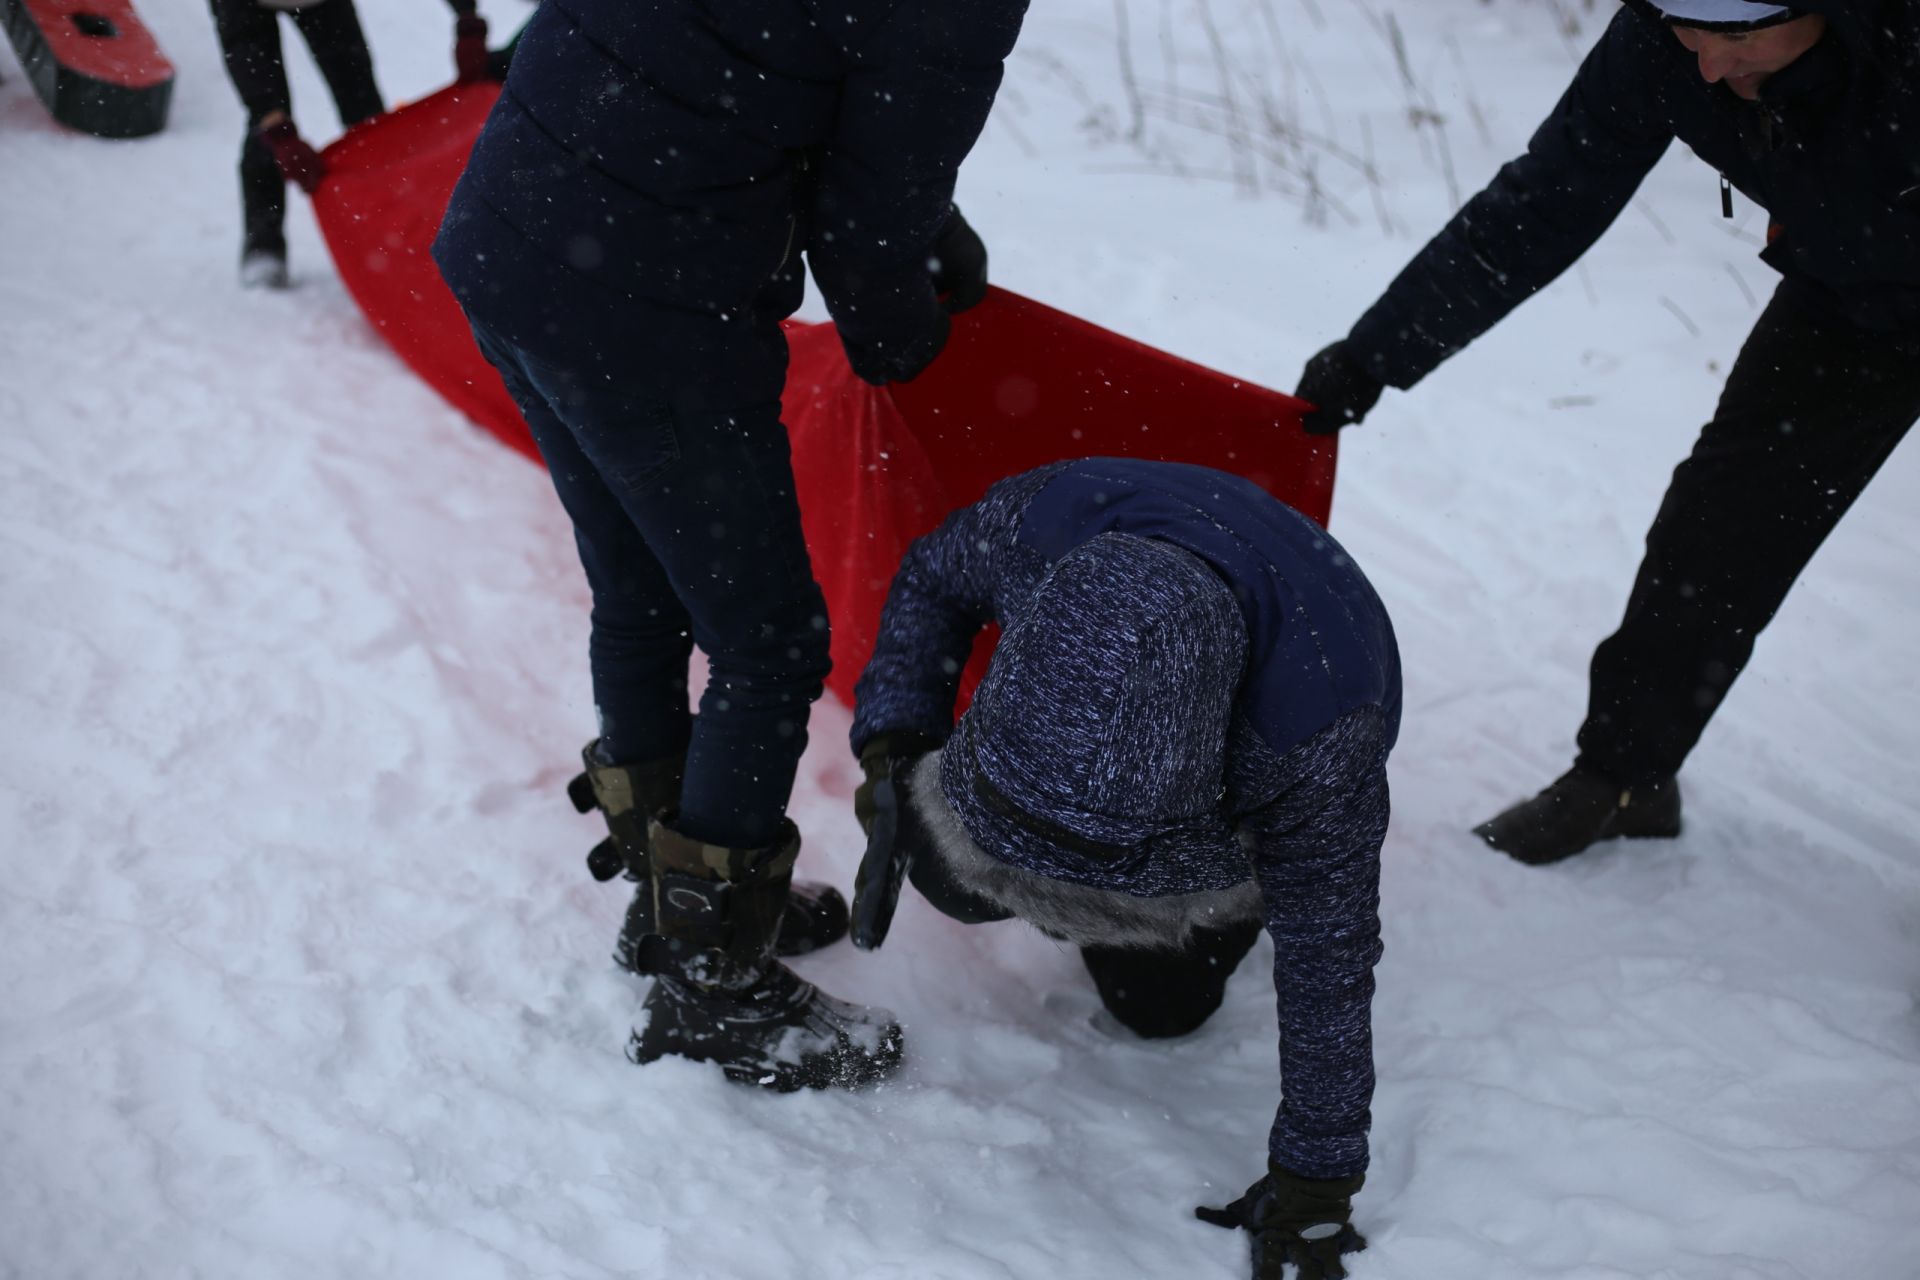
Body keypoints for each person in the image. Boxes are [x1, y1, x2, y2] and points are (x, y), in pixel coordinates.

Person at [430, 0, 1030, 1091]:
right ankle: (711, 980)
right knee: (769, 644)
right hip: (641, 298)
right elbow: (865, 216)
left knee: (643, 589)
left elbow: (766, 62)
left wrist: (920, 220)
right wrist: (910, 339)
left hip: (513, 233)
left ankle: (676, 904)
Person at [1294, 0, 1920, 864]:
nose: (1705, 66)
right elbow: (1544, 202)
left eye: (1737, 38)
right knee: (1716, 530)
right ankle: (1623, 778)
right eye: (1688, 32)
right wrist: (1372, 356)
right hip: (1851, 297)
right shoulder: (1660, 42)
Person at [850, 458, 1401, 1280]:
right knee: (948, 869)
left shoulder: (1318, 737)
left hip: (1238, 772)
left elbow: (1330, 956)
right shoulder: (1035, 527)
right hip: (1077, 720)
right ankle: (1022, 837)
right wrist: (895, 742)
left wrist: (1317, 1181)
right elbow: (934, 576)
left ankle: (1115, 897)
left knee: (1161, 1007)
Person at [209, 0, 501, 288]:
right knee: (266, 132)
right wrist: (277, 129)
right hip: (246, 8)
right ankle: (264, 244)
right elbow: (241, 42)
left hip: (325, 5)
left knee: (365, 116)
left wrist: (467, 18)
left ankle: (391, 234)